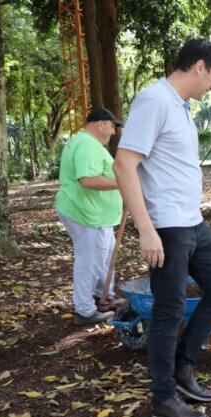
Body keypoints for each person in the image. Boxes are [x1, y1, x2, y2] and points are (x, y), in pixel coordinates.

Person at [113, 39, 211, 417]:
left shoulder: (180, 107)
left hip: (192, 222)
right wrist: (145, 229)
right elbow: (123, 164)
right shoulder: (154, 100)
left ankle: (183, 366)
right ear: (199, 66)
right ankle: (164, 399)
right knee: (167, 313)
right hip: (166, 226)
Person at [54, 108, 124, 325]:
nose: (113, 132)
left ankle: (101, 296)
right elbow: (88, 179)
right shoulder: (87, 144)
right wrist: (123, 183)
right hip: (85, 212)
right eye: (112, 126)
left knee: (105, 255)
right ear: (100, 124)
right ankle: (85, 310)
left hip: (95, 214)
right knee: (90, 260)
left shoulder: (88, 144)